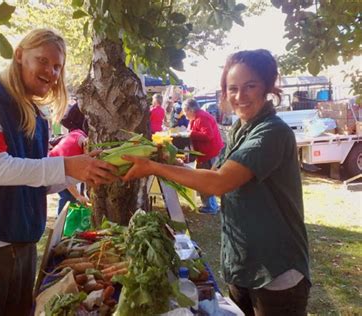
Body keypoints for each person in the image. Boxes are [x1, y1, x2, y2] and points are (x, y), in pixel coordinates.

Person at [122, 49, 310, 315]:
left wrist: (153, 167)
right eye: (232, 88)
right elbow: (217, 172)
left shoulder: (272, 132)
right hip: (243, 263)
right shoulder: (240, 129)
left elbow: (219, 183)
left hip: (275, 268)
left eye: (250, 86)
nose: (239, 96)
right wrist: (169, 161)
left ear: (267, 86)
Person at [0, 28, 117, 316]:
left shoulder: (37, 115)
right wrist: (67, 165)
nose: (52, 72)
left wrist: (85, 171)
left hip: (22, 247)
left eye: (58, 66)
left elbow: (37, 182)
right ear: (20, 55)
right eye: (44, 61)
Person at [182, 98, 224, 214]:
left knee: (205, 179)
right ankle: (211, 205)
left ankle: (211, 206)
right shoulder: (196, 118)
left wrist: (191, 133)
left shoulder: (202, 118)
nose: (185, 115)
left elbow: (208, 135)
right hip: (205, 153)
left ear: (190, 110)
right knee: (205, 178)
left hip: (209, 153)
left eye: (185, 112)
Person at [49, 125, 89, 215]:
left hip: (55, 166)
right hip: (53, 171)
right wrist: (78, 196)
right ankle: (60, 223)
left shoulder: (79, 135)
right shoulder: (73, 151)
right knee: (68, 197)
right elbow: (65, 176)